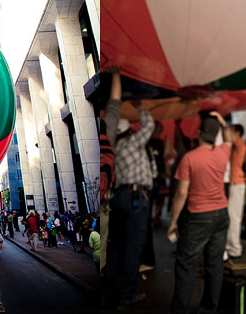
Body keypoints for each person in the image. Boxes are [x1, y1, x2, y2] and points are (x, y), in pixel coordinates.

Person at [167, 112, 233, 313]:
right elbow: (229, 139)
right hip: (221, 214)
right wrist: (222, 122)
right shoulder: (223, 153)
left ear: (199, 133)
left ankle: (179, 310)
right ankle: (208, 309)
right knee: (214, 265)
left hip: (198, 217)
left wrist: (173, 221)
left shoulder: (189, 158)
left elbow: (181, 192)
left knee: (186, 264)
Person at [102, 66, 155, 309]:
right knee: (134, 247)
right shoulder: (133, 142)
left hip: (119, 198)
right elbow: (150, 125)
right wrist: (140, 106)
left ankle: (108, 292)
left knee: (117, 247)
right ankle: (126, 296)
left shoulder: (114, 145)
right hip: (136, 198)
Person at [224, 123, 246, 261]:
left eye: (231, 131)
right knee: (232, 216)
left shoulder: (239, 144)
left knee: (234, 217)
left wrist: (222, 122)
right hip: (235, 183)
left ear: (237, 133)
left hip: (237, 183)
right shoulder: (236, 145)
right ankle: (231, 246)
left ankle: (234, 248)